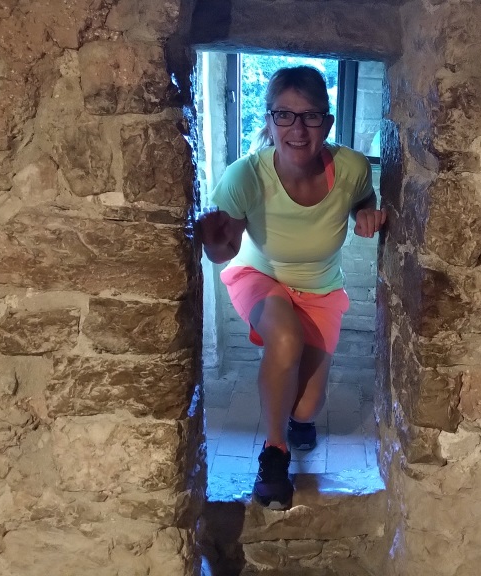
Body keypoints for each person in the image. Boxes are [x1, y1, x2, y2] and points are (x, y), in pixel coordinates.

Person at [197, 65, 386, 509]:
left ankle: (296, 420)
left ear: (328, 122)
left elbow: (363, 196)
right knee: (285, 339)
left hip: (321, 287)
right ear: (269, 119)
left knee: (307, 408)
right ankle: (274, 453)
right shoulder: (246, 176)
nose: (297, 130)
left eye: (310, 116)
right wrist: (212, 241)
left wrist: (365, 210)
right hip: (261, 275)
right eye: (284, 115)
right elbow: (224, 250)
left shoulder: (352, 167)